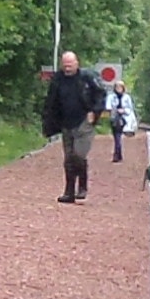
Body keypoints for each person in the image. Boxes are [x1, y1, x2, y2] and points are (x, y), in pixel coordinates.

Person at [41, 48, 101, 201]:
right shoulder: (58, 79)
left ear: (76, 63)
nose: (67, 68)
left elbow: (100, 95)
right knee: (68, 158)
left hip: (83, 122)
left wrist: (94, 111)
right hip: (66, 123)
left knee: (78, 155)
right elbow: (51, 102)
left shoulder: (87, 78)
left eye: (70, 64)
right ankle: (69, 192)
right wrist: (49, 122)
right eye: (65, 65)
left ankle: (82, 186)